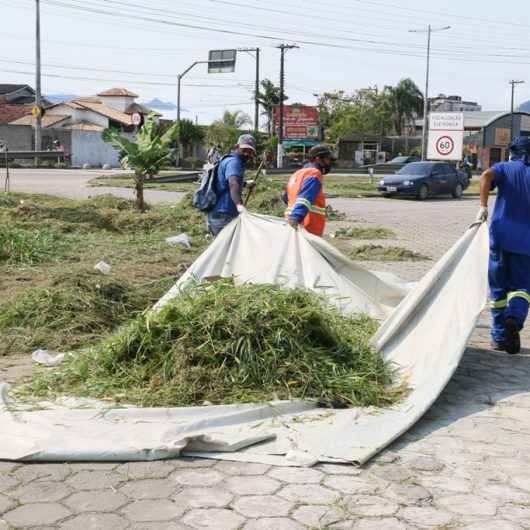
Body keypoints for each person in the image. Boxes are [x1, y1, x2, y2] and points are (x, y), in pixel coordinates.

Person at [476, 136, 530, 354]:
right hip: (526, 244)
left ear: (513, 151)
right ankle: (513, 319)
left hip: (499, 238)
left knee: (498, 289)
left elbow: (486, 175)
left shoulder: (505, 168)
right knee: (523, 288)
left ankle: (499, 338)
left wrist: (483, 205)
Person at [207, 134, 256, 237]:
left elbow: (226, 182)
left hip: (217, 214)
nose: (247, 154)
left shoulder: (227, 160)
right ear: (237, 147)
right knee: (228, 250)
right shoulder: (234, 162)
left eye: (250, 151)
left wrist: (245, 184)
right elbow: (233, 184)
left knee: (224, 250)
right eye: (245, 150)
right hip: (224, 215)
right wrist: (239, 206)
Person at [284, 144, 335, 237]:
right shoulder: (314, 173)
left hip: (292, 224)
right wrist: (295, 218)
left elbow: (285, 198)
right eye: (328, 159)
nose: (329, 163)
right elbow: (304, 199)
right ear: (318, 159)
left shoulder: (297, 173)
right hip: (307, 227)